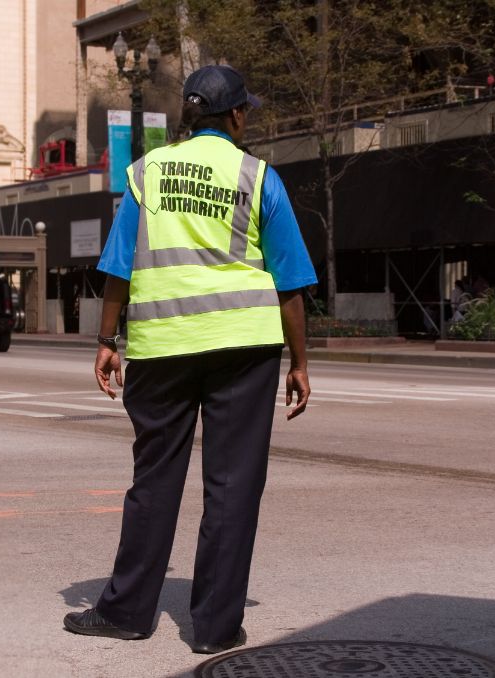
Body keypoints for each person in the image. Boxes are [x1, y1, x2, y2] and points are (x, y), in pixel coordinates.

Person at [63, 64, 317, 654]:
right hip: (243, 350)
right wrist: (299, 362)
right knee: (233, 486)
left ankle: (126, 612)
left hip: (162, 351)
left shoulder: (147, 172)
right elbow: (290, 283)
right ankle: (216, 627)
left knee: (154, 480)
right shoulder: (258, 176)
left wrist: (107, 341)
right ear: (234, 116)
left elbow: (118, 264)